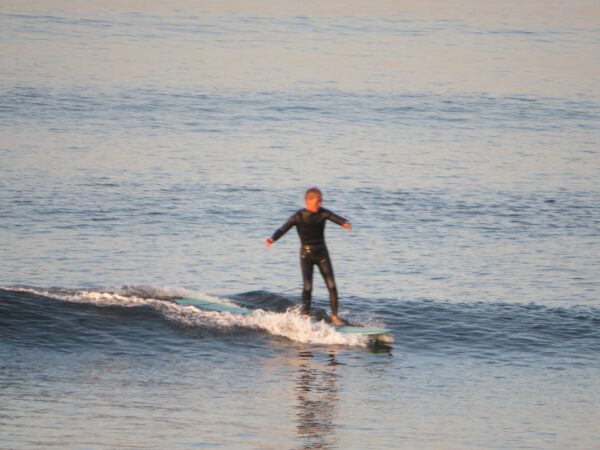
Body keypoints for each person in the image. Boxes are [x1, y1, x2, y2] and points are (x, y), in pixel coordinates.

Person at [266, 187, 351, 326]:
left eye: (321, 201)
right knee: (308, 287)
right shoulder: (298, 216)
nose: (320, 205)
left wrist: (344, 222)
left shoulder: (323, 213)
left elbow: (334, 217)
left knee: (332, 285)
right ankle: (305, 316)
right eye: (318, 202)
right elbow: (283, 229)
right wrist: (272, 239)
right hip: (306, 255)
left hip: (322, 253)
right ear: (308, 202)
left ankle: (335, 317)